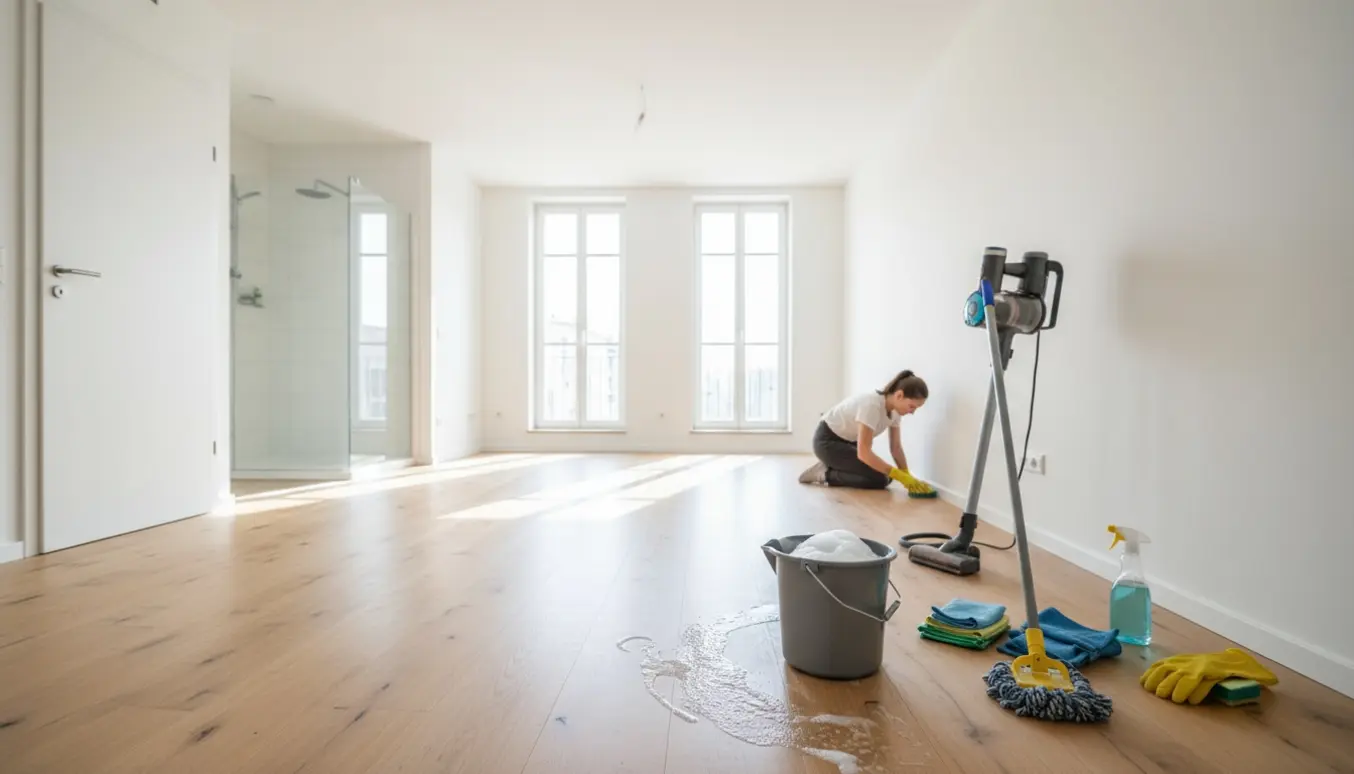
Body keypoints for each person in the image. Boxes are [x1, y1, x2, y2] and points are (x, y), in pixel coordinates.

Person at [799, 370, 937, 496]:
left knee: (886, 477)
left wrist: (907, 475)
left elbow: (896, 448)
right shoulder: (871, 405)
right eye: (911, 406)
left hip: (848, 444)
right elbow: (863, 452)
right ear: (899, 395)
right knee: (879, 480)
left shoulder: (895, 412)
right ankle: (824, 473)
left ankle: (833, 464)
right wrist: (899, 475)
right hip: (827, 443)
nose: (912, 412)